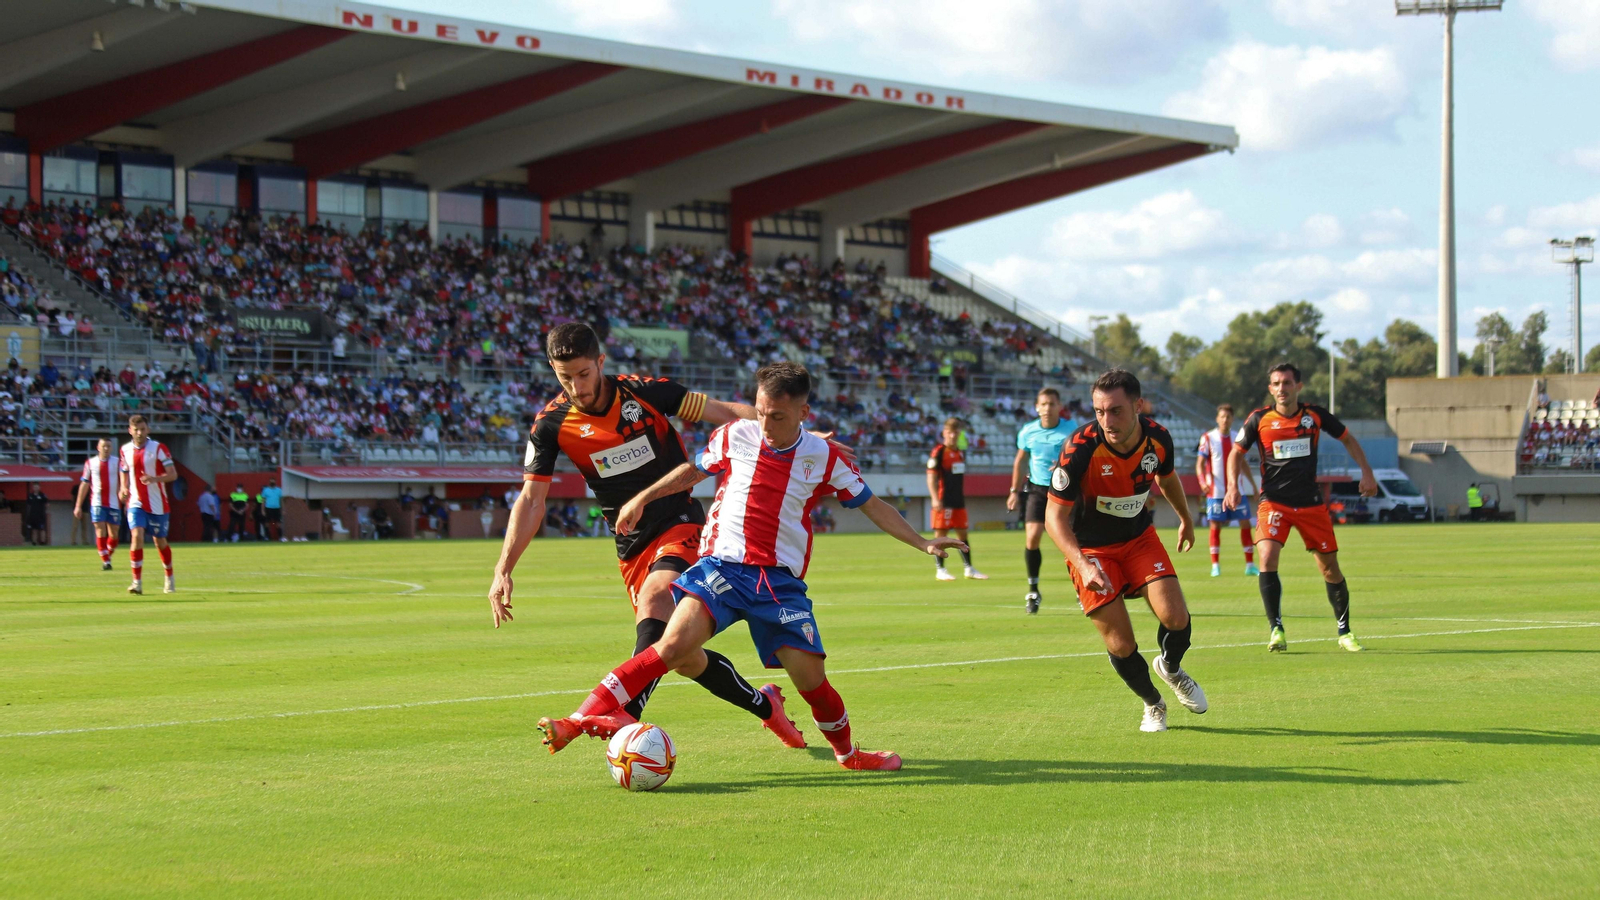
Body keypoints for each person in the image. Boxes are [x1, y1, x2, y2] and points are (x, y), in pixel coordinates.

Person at [537, 361, 965, 770]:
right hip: (721, 568)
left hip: (778, 583)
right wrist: (642, 498)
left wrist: (922, 542)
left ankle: (848, 752)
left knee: (811, 682)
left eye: (776, 416)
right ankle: (575, 722)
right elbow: (691, 472)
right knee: (670, 647)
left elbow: (873, 505)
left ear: (803, 413)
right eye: (760, 412)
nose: (764, 425)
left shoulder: (826, 457)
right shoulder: (735, 435)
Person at [488, 323, 816, 750]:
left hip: (680, 519)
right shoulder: (551, 424)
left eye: (584, 374)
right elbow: (532, 500)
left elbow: (725, 412)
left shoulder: (644, 392)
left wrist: (801, 438)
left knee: (658, 596)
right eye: (564, 376)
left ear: (601, 363)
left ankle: (614, 717)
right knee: (680, 658)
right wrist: (503, 569)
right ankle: (765, 705)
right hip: (631, 544)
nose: (576, 386)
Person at [1043, 370, 1205, 733]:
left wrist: (1185, 518)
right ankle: (1153, 703)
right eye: (1099, 411)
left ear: (1138, 405)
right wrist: (1083, 565)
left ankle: (1172, 669)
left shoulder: (1159, 438)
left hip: (1138, 539)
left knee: (1176, 618)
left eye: (1115, 411)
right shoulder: (1079, 448)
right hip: (1091, 550)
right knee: (1120, 641)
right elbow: (1054, 517)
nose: (1106, 421)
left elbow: (1166, 477)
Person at [1226, 363, 1378, 653]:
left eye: (1287, 382)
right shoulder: (1259, 419)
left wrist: (1366, 472)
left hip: (1310, 504)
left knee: (1330, 568)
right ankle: (1276, 630)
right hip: (1273, 502)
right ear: (1270, 389)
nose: (1282, 388)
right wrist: (1233, 486)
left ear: (1298, 386)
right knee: (1267, 556)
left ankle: (1345, 631)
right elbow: (1236, 452)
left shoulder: (1315, 415)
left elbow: (1347, 438)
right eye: (1276, 383)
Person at [1008, 387, 1075, 613]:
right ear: (1037, 407)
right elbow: (1020, 461)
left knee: (1071, 543)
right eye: (1043, 404)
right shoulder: (1028, 432)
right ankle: (1033, 590)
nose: (1047, 408)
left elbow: (1081, 457)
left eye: (1052, 404)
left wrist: (1063, 465)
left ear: (1059, 407)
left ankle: (1081, 589)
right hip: (1037, 490)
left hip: (1065, 489)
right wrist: (1014, 491)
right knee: (1033, 537)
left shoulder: (1071, 429)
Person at [1197, 404, 1261, 578]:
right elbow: (1200, 464)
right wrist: (1202, 482)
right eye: (1222, 416)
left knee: (1246, 524)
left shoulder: (1237, 438)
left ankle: (1250, 565)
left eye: (1228, 417)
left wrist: (1254, 487)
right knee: (1215, 526)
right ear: (1217, 419)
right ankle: (1215, 566)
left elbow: (1244, 465)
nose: (1225, 420)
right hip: (1216, 493)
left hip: (1237, 492)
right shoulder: (1208, 438)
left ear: (1232, 419)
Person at [118, 414, 178, 594]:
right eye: (136, 430)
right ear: (130, 430)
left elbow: (173, 474)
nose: (139, 433)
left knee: (160, 542)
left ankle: (169, 576)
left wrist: (154, 479)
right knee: (136, 535)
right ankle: (137, 582)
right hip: (136, 502)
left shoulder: (159, 448)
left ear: (148, 429)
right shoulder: (125, 450)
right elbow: (124, 470)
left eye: (143, 429)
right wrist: (123, 487)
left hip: (158, 504)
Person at [928, 416, 986, 581]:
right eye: (950, 432)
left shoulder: (960, 453)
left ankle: (969, 568)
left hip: (958, 500)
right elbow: (931, 477)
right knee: (941, 534)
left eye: (956, 432)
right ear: (944, 433)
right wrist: (934, 498)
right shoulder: (939, 452)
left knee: (963, 534)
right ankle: (940, 569)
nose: (953, 435)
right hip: (943, 499)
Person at [74, 438, 123, 569]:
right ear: (98, 447)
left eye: (108, 446)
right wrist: (78, 505)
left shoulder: (118, 462)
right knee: (100, 529)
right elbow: (84, 483)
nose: (106, 448)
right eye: (103, 446)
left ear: (111, 448)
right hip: (97, 502)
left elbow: (125, 480)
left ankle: (107, 555)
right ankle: (106, 561)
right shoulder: (91, 463)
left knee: (114, 534)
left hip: (114, 502)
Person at [24, 481, 49, 546]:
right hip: (33, 516)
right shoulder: (30, 496)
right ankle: (34, 542)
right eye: (34, 487)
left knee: (42, 529)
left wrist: (44, 511)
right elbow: (28, 505)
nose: (36, 488)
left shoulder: (42, 495)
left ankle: (42, 542)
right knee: (34, 529)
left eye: (37, 487)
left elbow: (47, 504)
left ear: (39, 487)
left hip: (41, 515)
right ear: (33, 488)